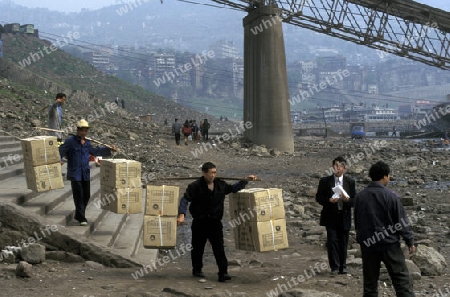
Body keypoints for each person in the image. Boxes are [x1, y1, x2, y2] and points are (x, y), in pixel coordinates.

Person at [177, 162, 257, 282]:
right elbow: (185, 199)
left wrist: (245, 180)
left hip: (215, 223)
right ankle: (197, 269)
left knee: (219, 248)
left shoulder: (220, 185)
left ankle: (223, 272)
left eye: (215, 172)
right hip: (200, 222)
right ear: (204, 173)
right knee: (198, 247)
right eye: (211, 173)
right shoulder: (195, 186)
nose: (213, 175)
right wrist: (181, 214)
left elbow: (233, 188)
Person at [354, 161, 415, 297]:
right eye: (388, 176)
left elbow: (357, 220)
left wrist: (361, 239)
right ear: (384, 176)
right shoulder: (391, 196)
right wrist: (409, 241)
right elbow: (401, 221)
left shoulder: (360, 196)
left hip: (369, 244)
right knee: (401, 282)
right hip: (390, 244)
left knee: (370, 284)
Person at [59, 119, 117, 226]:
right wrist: (59, 159)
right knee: (79, 194)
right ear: (78, 130)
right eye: (82, 130)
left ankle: (78, 214)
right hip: (75, 173)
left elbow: (95, 151)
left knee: (87, 195)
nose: (84, 133)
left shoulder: (87, 143)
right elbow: (61, 151)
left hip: (85, 173)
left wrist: (109, 150)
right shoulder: (70, 141)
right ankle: (81, 217)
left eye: (86, 131)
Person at [315, 156, 356, 275]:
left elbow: (354, 200)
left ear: (344, 167)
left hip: (344, 215)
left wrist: (347, 200)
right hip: (330, 215)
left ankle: (343, 266)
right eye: (335, 166)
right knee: (332, 241)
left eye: (339, 166)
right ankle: (334, 266)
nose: (337, 168)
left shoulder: (350, 182)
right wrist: (328, 200)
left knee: (343, 241)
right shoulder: (325, 181)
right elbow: (319, 197)